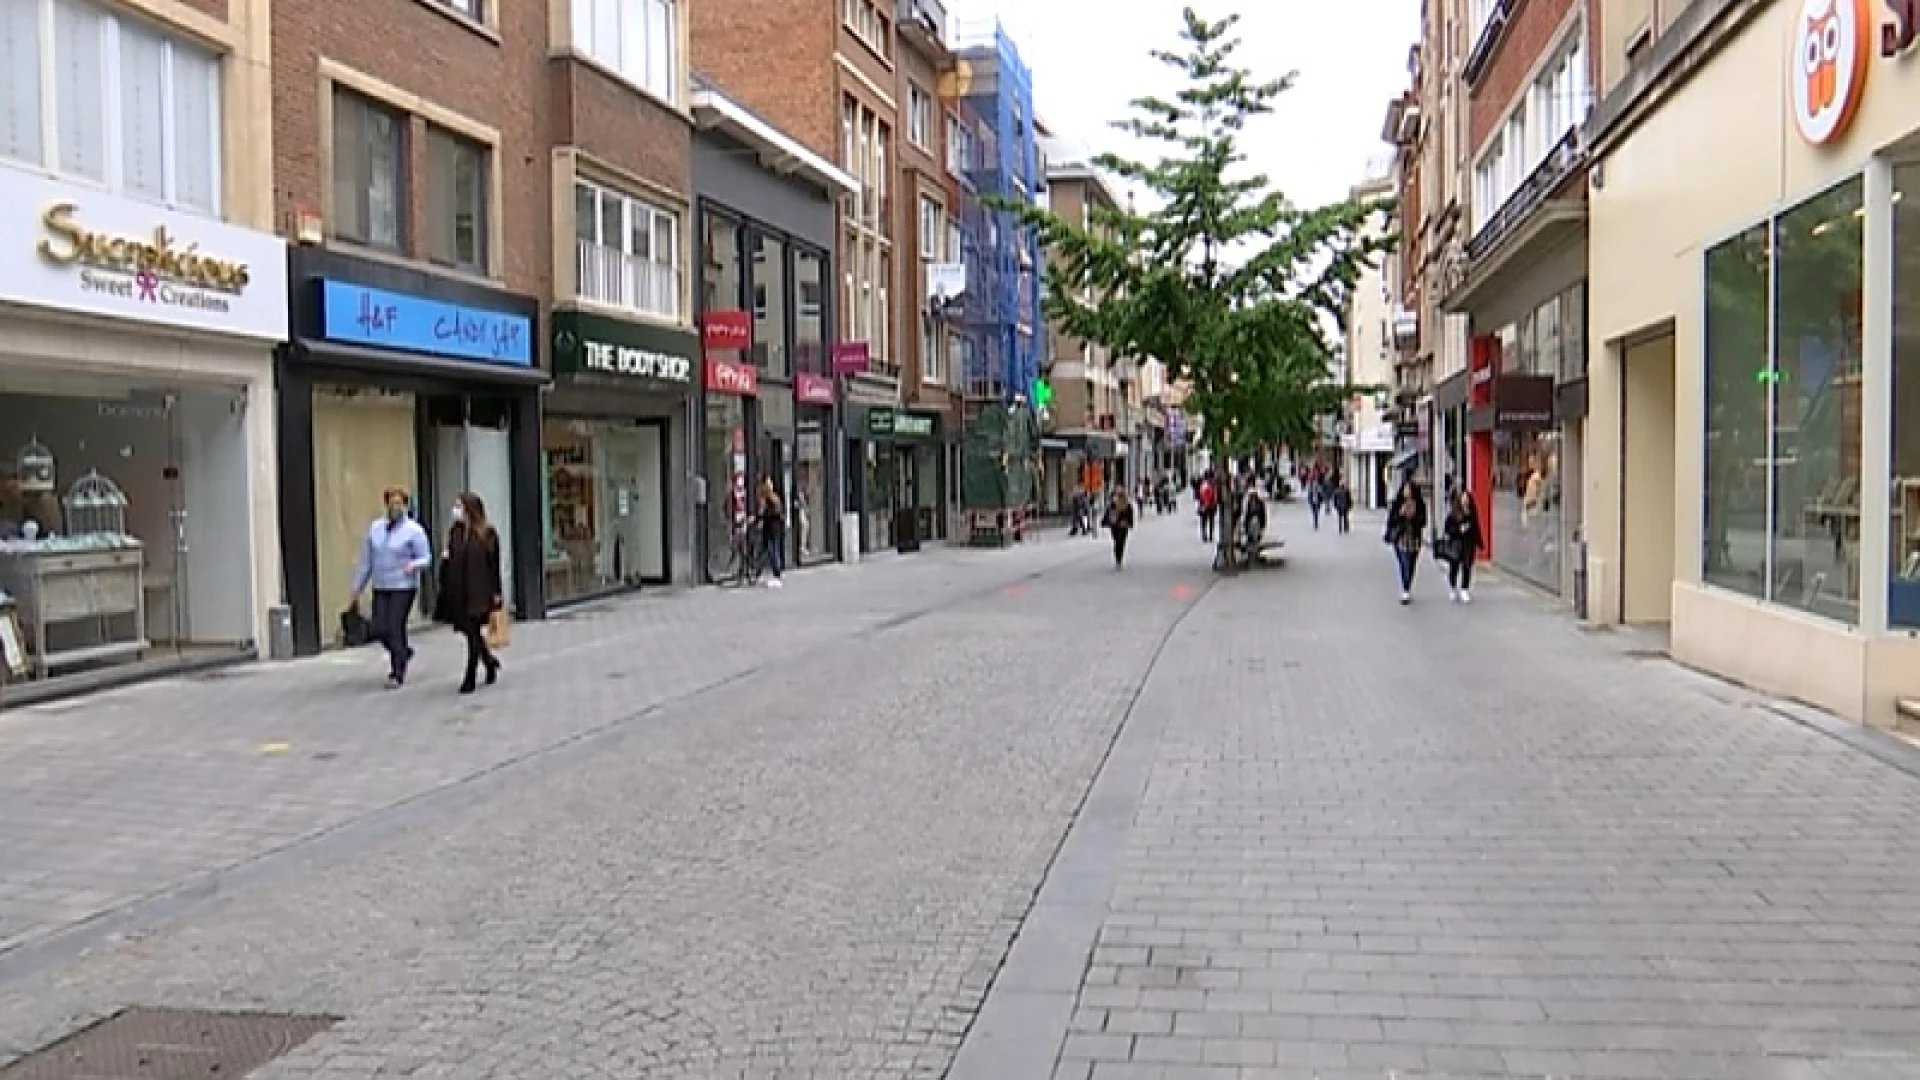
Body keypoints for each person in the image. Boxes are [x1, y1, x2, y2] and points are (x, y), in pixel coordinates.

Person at [347, 486, 433, 688]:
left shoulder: (414, 531)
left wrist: (413, 565)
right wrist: (356, 588)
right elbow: (366, 562)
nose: (395, 507)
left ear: (405, 505)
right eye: (391, 503)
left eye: (399, 503)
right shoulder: (376, 529)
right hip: (381, 585)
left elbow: (426, 558)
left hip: (403, 586)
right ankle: (403, 651)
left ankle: (397, 671)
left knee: (395, 626)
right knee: (379, 627)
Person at [435, 491, 503, 694]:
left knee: (473, 633)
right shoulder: (455, 532)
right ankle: (489, 661)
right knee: (470, 632)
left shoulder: (486, 533)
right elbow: (449, 560)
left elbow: (493, 566)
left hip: (478, 591)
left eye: (459, 506)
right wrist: (445, 560)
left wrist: (496, 592)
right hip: (458, 592)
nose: (455, 510)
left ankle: (470, 676)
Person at [1383, 478, 1428, 605]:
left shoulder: (1419, 504)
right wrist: (1400, 514)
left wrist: (1414, 517)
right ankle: (1405, 590)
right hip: (1400, 537)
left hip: (1414, 538)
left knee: (1412, 564)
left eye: (1409, 489)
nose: (1406, 492)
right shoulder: (1397, 504)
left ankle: (1407, 585)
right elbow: (1391, 521)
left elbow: (1423, 521)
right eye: (1405, 489)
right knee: (1404, 563)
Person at [1441, 488, 1485, 603]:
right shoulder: (1454, 513)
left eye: (1467, 499)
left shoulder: (1472, 513)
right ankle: (1453, 588)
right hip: (1456, 543)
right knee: (1454, 567)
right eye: (1463, 498)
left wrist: (1480, 543)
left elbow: (1476, 528)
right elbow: (1448, 529)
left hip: (1468, 544)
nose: (1465, 501)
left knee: (1467, 567)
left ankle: (1464, 589)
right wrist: (1458, 530)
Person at [757, 477, 786, 588]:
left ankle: (776, 573)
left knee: (771, 550)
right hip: (774, 527)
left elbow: (767, 512)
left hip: (771, 528)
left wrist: (761, 517)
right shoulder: (773, 497)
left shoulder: (769, 498)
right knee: (770, 549)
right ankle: (769, 572)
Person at [1104, 488, 1136, 568]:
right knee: (1118, 542)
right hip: (1117, 526)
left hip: (1120, 526)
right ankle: (1118, 558)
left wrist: (1130, 523)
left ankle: (1119, 559)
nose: (1117, 497)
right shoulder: (1114, 504)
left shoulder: (1126, 505)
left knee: (1119, 542)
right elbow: (1108, 514)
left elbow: (1130, 515)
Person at [1197, 472, 1218, 543]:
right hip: (1207, 505)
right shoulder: (1207, 485)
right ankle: (1207, 535)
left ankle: (1207, 535)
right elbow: (1203, 496)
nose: (1213, 479)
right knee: (1207, 521)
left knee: (1206, 521)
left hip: (1207, 505)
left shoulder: (1206, 485)